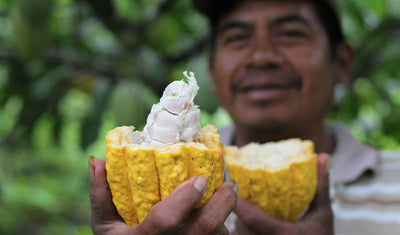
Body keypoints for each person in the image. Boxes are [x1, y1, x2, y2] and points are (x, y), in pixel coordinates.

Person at [89, 0, 399, 234]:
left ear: (342, 62)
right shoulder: (157, 185)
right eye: (238, 38)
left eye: (291, 34)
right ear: (212, 69)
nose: (261, 56)